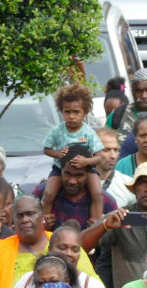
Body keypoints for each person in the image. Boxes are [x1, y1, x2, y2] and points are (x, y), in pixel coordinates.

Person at [39, 83, 105, 227]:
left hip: (86, 169)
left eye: (76, 112)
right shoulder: (57, 131)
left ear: (85, 112)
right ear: (61, 112)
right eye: (67, 112)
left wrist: (87, 162)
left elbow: (99, 156)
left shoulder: (88, 132)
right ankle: (45, 223)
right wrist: (57, 154)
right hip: (60, 169)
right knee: (49, 194)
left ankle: (96, 223)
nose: (71, 116)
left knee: (98, 194)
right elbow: (46, 149)